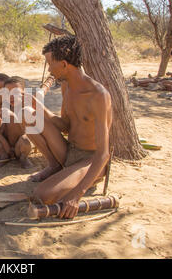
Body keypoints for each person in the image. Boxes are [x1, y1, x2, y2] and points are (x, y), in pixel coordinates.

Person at [23, 35, 112, 219]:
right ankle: (56, 166)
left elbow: (103, 154)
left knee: (43, 195)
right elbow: (65, 126)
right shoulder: (66, 87)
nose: (49, 69)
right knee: (28, 115)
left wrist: (76, 194)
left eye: (50, 63)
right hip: (70, 151)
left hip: (90, 160)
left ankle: (76, 179)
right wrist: (40, 109)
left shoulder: (98, 95)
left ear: (64, 64)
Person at [0, 76, 33, 169]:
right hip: (7, 145)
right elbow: (0, 131)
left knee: (26, 140)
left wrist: (14, 117)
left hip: (20, 145)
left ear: (24, 92)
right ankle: (3, 155)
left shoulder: (28, 106)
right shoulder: (4, 106)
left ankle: (23, 158)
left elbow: (31, 131)